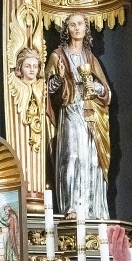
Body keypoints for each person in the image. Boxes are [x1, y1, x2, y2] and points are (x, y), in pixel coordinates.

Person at [46, 13, 111, 220]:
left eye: (80, 24)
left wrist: (95, 87)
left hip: (90, 114)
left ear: (86, 29)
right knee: (72, 156)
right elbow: (46, 90)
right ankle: (71, 207)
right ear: (67, 29)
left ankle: (94, 209)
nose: (76, 28)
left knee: (92, 159)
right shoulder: (57, 56)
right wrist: (58, 79)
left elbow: (106, 93)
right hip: (70, 111)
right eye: (72, 25)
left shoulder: (90, 58)